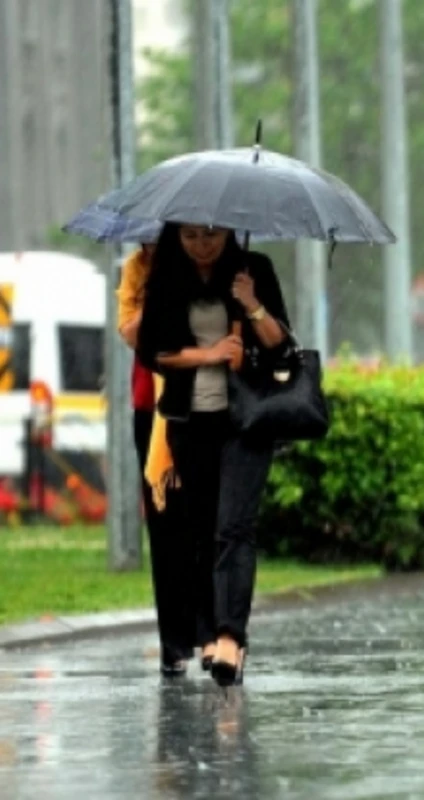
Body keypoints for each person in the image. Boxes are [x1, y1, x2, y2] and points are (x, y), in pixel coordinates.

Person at [138, 223, 290, 687]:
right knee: (202, 528)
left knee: (235, 528)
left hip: (245, 421)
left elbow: (280, 343)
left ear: (228, 232)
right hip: (190, 422)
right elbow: (152, 352)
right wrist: (205, 356)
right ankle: (206, 632)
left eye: (211, 235)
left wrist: (251, 303)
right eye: (189, 236)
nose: (201, 245)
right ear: (175, 238)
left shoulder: (254, 269)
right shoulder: (167, 278)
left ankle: (230, 638)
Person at [117, 243, 200, 677]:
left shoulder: (208, 263)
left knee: (201, 519)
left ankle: (212, 630)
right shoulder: (137, 268)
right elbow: (130, 333)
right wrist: (159, 294)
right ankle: (174, 642)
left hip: (204, 403)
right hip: (151, 408)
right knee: (163, 521)